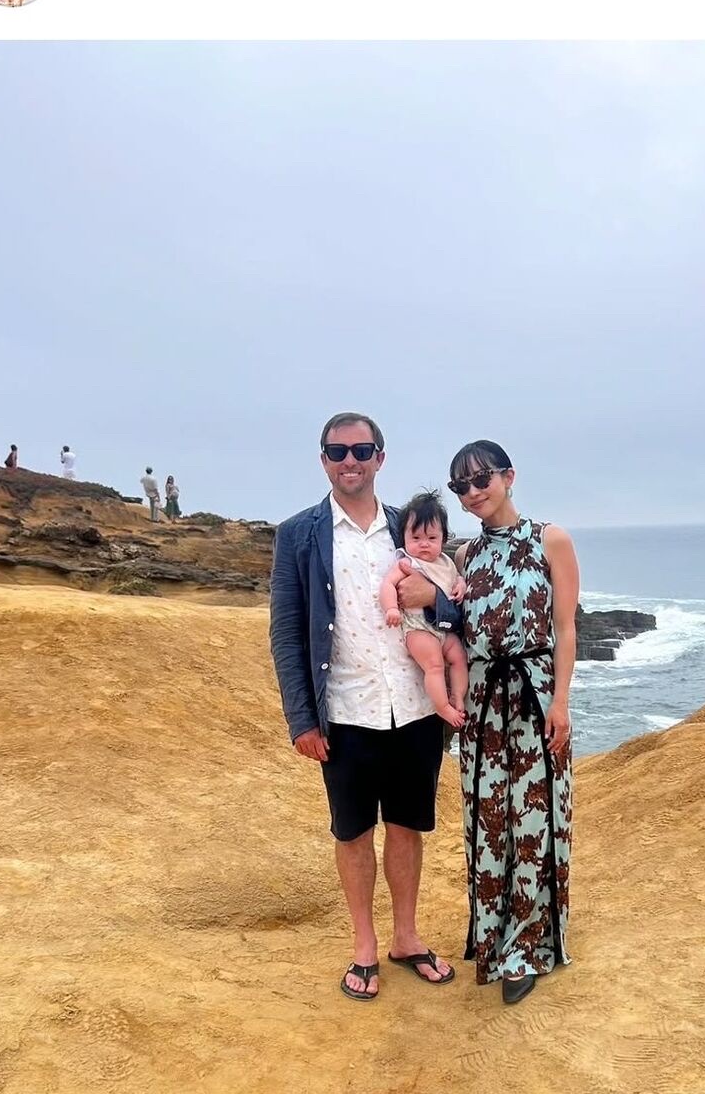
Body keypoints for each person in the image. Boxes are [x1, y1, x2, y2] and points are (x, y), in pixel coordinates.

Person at [270, 412, 462, 1002]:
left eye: (361, 450)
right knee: (352, 831)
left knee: (406, 827)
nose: (349, 461)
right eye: (337, 451)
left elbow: (459, 605)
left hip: (415, 708)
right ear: (323, 460)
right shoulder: (298, 534)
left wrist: (437, 601)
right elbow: (287, 632)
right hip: (346, 711)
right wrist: (302, 719)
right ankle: (364, 945)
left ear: (380, 457)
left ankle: (406, 937)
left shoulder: (414, 527)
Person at [449, 439, 578, 1005]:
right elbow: (452, 632)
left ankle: (528, 946)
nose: (473, 492)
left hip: (535, 695)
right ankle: (491, 931)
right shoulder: (464, 556)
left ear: (509, 477)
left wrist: (561, 702)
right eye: (461, 486)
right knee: (487, 819)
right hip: (481, 702)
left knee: (534, 820)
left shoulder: (551, 539)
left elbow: (566, 628)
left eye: (482, 480)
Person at [379, 491, 468, 730]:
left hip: (442, 629)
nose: (424, 544)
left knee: (459, 658)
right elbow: (387, 585)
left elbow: (456, 579)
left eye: (431, 537)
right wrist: (391, 608)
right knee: (435, 665)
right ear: (404, 538)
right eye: (416, 537)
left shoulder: (446, 562)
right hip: (417, 628)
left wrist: (460, 585)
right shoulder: (407, 562)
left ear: (443, 538)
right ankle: (443, 707)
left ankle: (457, 696)